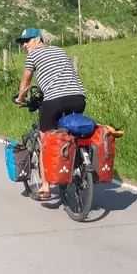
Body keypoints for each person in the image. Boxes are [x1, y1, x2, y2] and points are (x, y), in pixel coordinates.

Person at [13, 27, 86, 200]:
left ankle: (45, 187)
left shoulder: (33, 56)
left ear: (38, 39)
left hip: (54, 100)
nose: (24, 45)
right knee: (69, 130)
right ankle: (78, 163)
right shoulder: (60, 50)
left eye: (27, 40)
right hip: (78, 97)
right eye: (23, 42)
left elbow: (26, 82)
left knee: (45, 139)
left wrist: (20, 99)